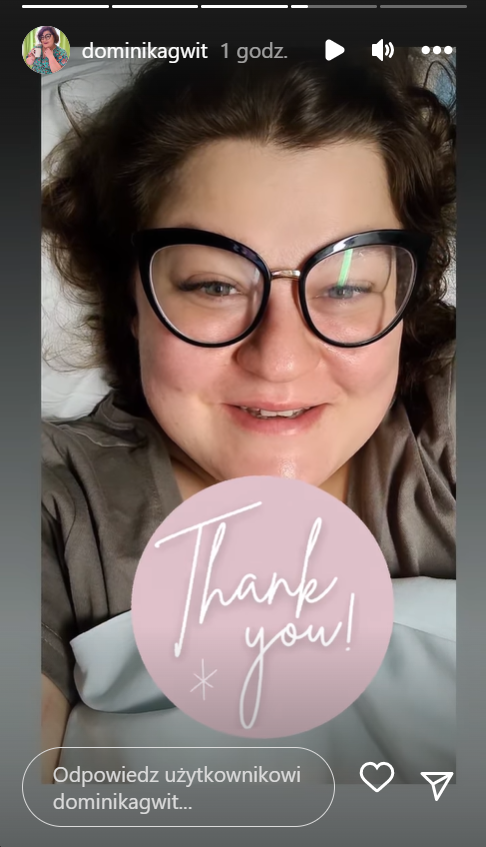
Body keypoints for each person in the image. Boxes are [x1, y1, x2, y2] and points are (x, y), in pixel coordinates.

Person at [40, 48, 456, 782]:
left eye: (346, 287)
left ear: (404, 299)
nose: (280, 360)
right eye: (214, 286)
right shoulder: (51, 504)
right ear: (133, 301)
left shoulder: (447, 425)